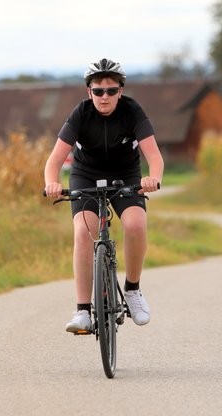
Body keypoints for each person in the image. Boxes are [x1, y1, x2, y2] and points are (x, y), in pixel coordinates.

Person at [44, 58, 164, 333]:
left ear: (120, 91)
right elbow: (54, 160)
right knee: (83, 233)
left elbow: (154, 156)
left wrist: (153, 178)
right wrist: (51, 182)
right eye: (98, 91)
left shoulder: (132, 112)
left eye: (111, 90)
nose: (104, 96)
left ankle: (132, 290)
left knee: (135, 224)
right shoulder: (80, 114)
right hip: (85, 174)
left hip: (126, 175)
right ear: (89, 93)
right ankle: (83, 311)